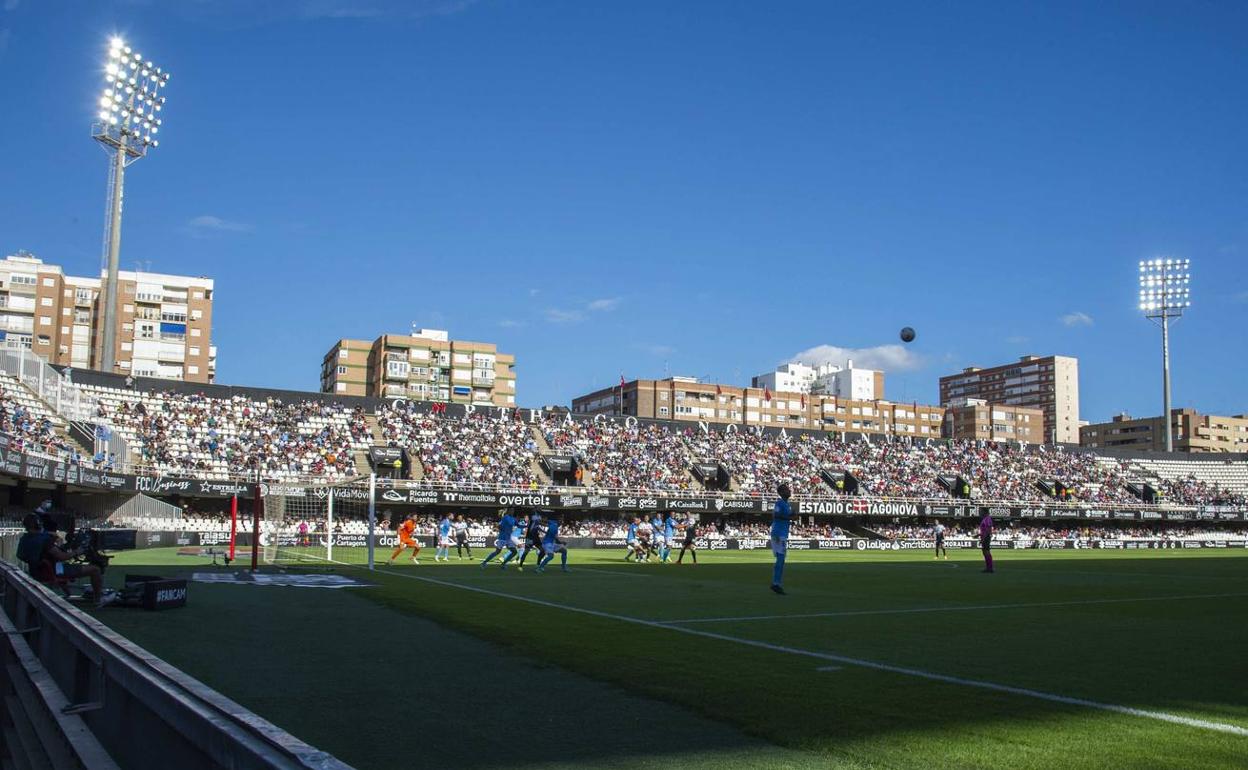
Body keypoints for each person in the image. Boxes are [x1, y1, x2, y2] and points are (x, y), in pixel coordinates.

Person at [15, 514, 115, 608]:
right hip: (53, 571)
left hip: (37, 571)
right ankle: (98, 600)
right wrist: (77, 552)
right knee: (95, 569)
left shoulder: (25, 539)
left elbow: (20, 555)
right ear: (38, 524)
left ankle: (69, 594)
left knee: (63, 565)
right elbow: (62, 557)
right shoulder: (43, 540)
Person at [771, 483, 793, 594]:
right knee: (781, 558)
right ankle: (776, 584)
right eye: (786, 490)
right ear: (781, 492)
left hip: (780, 533)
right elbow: (776, 515)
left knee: (780, 558)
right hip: (779, 533)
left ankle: (776, 583)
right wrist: (790, 517)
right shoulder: (780, 503)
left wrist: (792, 516)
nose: (789, 491)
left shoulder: (787, 504)